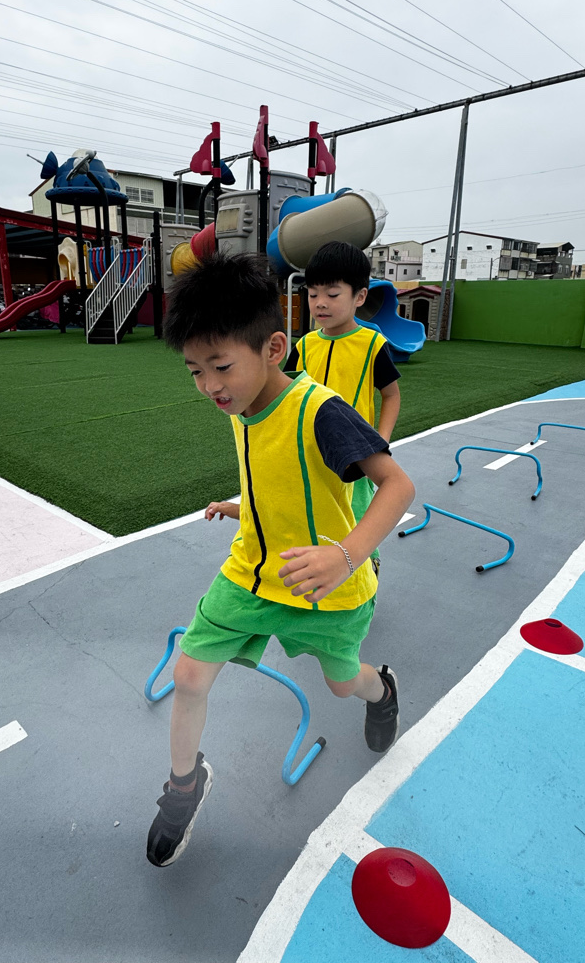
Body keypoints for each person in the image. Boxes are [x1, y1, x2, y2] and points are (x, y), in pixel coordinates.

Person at [146, 252, 415, 868]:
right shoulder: (240, 406)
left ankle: (382, 690)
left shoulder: (321, 411)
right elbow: (280, 480)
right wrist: (241, 505)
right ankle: (184, 786)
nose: (209, 386)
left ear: (273, 349)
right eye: (194, 371)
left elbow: (399, 486)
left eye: (220, 366)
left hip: (325, 584)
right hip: (250, 574)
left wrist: (345, 556)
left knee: (343, 684)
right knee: (189, 676)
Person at [285, 241, 402, 567]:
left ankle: (367, 571)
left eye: (333, 294)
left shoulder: (372, 344)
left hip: (355, 455)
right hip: (310, 452)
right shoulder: (305, 346)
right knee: (313, 514)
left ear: (359, 297)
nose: (320, 303)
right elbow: (286, 393)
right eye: (312, 294)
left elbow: (391, 395)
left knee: (358, 519)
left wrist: (380, 442)